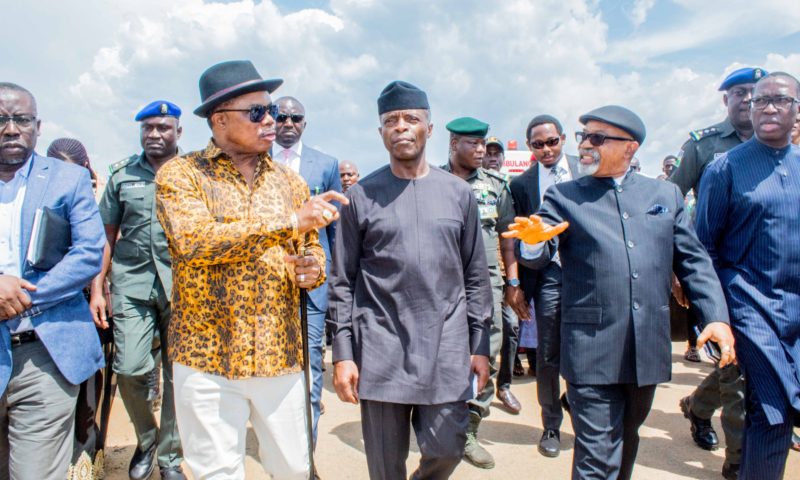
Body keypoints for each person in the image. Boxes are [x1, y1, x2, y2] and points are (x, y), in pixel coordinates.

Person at [505, 105, 737, 480]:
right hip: (590, 349)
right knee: (596, 462)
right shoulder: (564, 196)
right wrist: (532, 244)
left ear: (629, 147)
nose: (585, 146)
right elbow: (540, 241)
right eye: (583, 137)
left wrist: (716, 318)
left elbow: (694, 262)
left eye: (597, 138)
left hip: (646, 349)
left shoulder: (665, 195)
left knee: (626, 448)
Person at [155, 60, 346, 479]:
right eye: (257, 112)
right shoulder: (181, 175)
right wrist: (291, 222)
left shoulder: (290, 183)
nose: (271, 121)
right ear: (220, 120)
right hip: (206, 357)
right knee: (215, 473)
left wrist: (309, 268)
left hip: (280, 354)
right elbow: (195, 242)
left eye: (272, 111)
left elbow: (312, 253)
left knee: (294, 470)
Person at [329, 80, 491, 480]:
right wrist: (343, 353)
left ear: (429, 130)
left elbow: (475, 274)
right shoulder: (362, 196)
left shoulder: (458, 194)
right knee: (385, 466)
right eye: (391, 120)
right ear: (381, 132)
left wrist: (481, 343)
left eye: (411, 119)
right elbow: (342, 281)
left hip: (446, 347)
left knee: (447, 447)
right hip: (381, 348)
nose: (401, 126)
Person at [695, 72, 800, 480]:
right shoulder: (725, 169)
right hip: (751, 306)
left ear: (797, 110)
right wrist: (715, 315)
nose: (770, 107)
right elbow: (703, 248)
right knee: (772, 409)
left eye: (781, 100)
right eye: (761, 101)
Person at [0, 82, 105, 479]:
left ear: (37, 126)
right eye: (1, 120)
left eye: (21, 119)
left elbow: (88, 253)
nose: (11, 129)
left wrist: (22, 297)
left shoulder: (67, 180)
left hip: (45, 353)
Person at [671, 67, 766, 477]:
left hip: (772, 274)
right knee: (736, 371)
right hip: (719, 274)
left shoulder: (778, 141)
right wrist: (676, 269)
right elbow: (668, 204)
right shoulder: (704, 146)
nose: (748, 99)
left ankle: (697, 405)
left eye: (755, 93)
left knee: (742, 363)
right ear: (724, 98)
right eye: (740, 92)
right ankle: (738, 464)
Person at [91, 101, 186, 480]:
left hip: (183, 289)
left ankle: (170, 458)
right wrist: (98, 290)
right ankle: (147, 439)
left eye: (163, 127)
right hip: (131, 285)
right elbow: (106, 237)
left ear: (179, 132)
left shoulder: (193, 174)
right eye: (147, 127)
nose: (154, 134)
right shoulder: (121, 175)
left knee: (178, 375)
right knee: (129, 368)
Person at [441, 118, 520, 468]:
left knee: (486, 352)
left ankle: (469, 430)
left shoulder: (497, 186)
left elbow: (508, 239)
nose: (480, 151)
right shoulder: (432, 181)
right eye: (472, 144)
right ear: (452, 144)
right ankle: (438, 425)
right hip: (440, 283)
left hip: (487, 284)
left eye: (483, 145)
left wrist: (513, 283)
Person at [508, 114, 582, 458]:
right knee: (548, 354)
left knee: (586, 351)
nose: (546, 149)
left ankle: (584, 417)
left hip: (587, 274)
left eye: (552, 141)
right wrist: (517, 285)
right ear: (530, 147)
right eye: (538, 144)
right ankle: (551, 424)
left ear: (563, 139)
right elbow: (517, 238)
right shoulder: (522, 185)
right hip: (548, 276)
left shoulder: (586, 169)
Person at [272, 95, 342, 443]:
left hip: (312, 285)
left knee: (311, 365)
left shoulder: (326, 165)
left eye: (295, 118)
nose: (288, 124)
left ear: (304, 122)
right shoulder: (255, 160)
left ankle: (306, 453)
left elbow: (335, 230)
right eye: (281, 117)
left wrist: (335, 279)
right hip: (266, 284)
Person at [47, 137, 116, 480]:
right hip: (47, 307)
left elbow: (101, 246)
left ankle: (87, 457)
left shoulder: (94, 196)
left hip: (91, 300)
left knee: (91, 382)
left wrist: (97, 290)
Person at [482, 136, 523, 414]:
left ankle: (504, 385)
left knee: (510, 326)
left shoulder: (507, 188)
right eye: (489, 152)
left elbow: (511, 237)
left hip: (503, 272)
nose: (493, 157)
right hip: (475, 273)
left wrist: (513, 281)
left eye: (498, 154)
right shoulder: (467, 184)